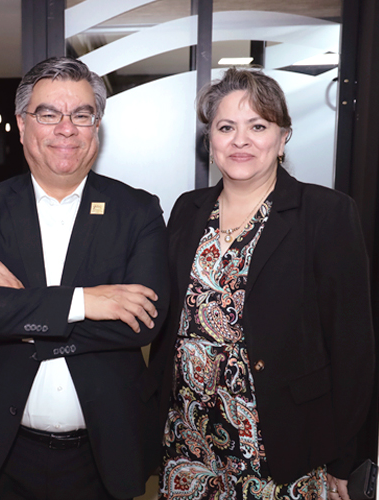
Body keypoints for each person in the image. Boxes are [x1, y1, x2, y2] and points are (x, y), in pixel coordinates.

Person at [0, 57, 169, 500]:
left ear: (96, 127)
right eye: (48, 113)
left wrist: (19, 310)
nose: (67, 128)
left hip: (105, 449)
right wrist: (83, 302)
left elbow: (142, 322)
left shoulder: (137, 211)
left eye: (82, 114)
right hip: (3, 447)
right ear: (23, 125)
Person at [150, 68, 375, 500]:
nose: (241, 140)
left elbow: (353, 350)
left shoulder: (326, 214)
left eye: (258, 126)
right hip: (187, 443)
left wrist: (347, 458)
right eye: (226, 127)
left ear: (283, 136)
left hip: (282, 450)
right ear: (210, 140)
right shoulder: (186, 210)